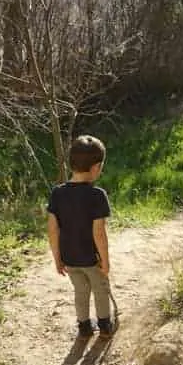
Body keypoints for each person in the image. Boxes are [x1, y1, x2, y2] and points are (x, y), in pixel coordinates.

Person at [46, 135, 114, 338]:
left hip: (70, 258)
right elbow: (99, 233)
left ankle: (84, 328)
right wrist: (106, 261)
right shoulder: (97, 195)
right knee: (100, 290)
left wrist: (57, 258)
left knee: (80, 291)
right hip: (91, 259)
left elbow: (52, 229)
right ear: (96, 168)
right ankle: (104, 326)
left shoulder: (57, 193)